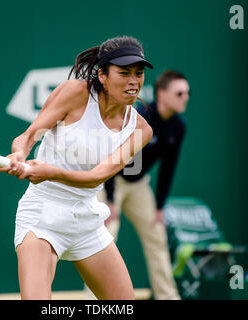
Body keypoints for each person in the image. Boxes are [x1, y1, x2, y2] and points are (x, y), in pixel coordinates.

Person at [0, 36, 154, 300]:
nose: (133, 81)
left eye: (138, 74)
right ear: (102, 75)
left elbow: (96, 178)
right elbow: (29, 135)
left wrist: (50, 172)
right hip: (42, 215)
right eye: (124, 73)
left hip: (87, 220)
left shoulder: (140, 129)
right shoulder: (75, 93)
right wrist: (19, 153)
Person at [93, 70, 189, 300]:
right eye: (179, 93)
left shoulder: (178, 126)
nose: (185, 97)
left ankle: (167, 296)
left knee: (157, 235)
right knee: (103, 239)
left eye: (187, 93)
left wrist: (159, 207)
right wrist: (112, 201)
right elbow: (112, 157)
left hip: (138, 185)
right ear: (161, 93)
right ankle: (95, 300)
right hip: (110, 179)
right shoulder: (140, 115)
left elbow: (168, 168)